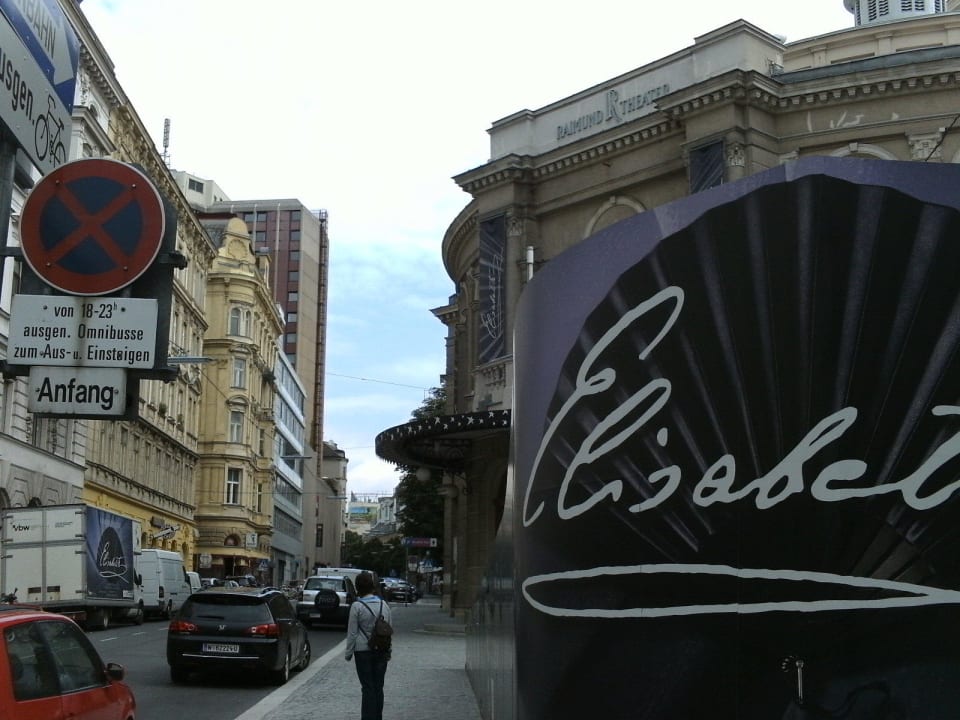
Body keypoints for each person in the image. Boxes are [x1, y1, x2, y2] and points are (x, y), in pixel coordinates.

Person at [345, 571, 392, 720]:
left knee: (367, 687)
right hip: (381, 650)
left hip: (362, 651)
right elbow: (388, 630)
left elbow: (352, 633)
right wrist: (389, 650)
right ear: (372, 587)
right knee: (378, 687)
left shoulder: (357, 606)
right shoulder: (384, 605)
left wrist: (348, 653)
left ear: (358, 588)